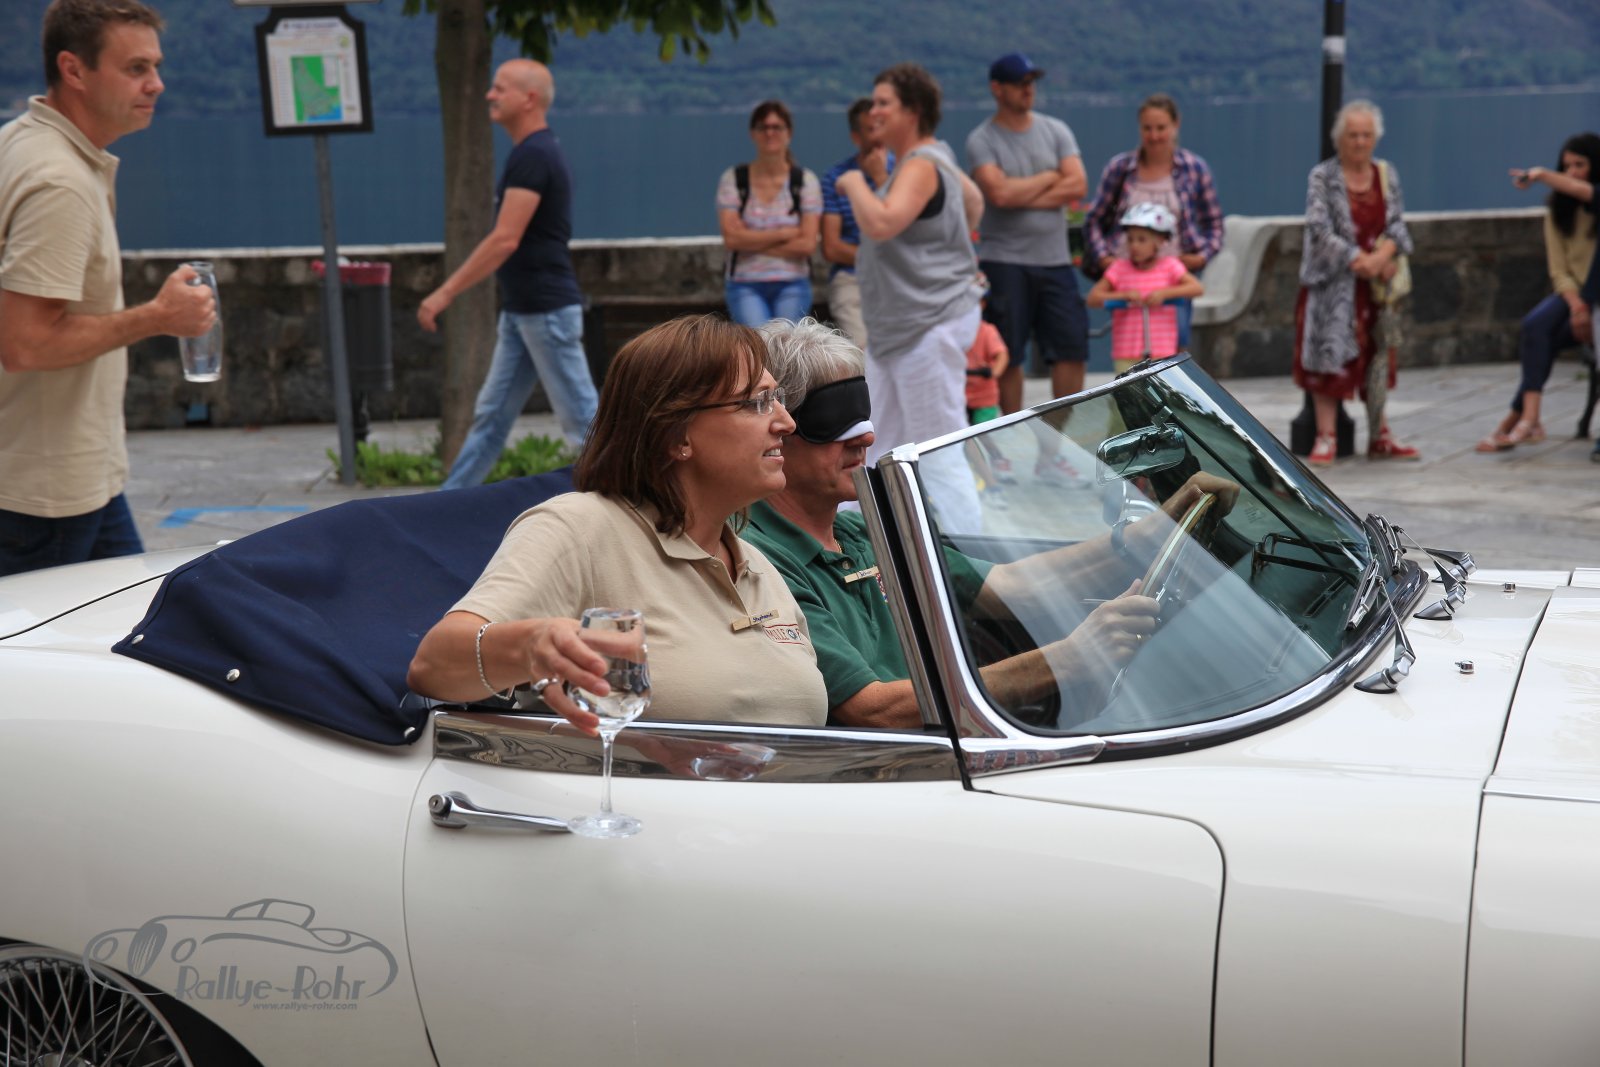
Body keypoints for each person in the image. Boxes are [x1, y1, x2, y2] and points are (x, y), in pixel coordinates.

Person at [743, 317, 1230, 730]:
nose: (866, 437)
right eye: (834, 420)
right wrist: (1069, 658)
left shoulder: (864, 532)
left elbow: (1015, 585)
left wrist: (1160, 528)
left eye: (863, 413)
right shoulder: (757, 559)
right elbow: (871, 711)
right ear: (778, 429)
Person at [408, 315, 827, 732]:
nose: (787, 423)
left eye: (778, 398)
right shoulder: (580, 527)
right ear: (676, 435)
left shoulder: (756, 564)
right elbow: (433, 665)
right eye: (756, 402)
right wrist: (531, 645)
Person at [0, 0, 216, 577]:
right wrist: (159, 316)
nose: (156, 84)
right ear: (74, 70)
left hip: (70, 475)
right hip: (43, 492)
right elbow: (25, 343)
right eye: (136, 68)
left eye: (155, 67)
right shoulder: (59, 182)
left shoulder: (20, 143)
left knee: (139, 612)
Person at [419, 59, 599, 490]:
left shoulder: (535, 155)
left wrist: (445, 293)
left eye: (500, 88)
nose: (490, 95)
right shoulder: (531, 152)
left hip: (547, 311)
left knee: (586, 425)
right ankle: (448, 504)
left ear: (529, 98)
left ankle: (641, 503)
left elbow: (505, 239)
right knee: (491, 418)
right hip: (524, 312)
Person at [835, 63, 986, 526]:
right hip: (898, 331)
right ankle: (852, 538)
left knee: (938, 450)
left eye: (884, 102)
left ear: (912, 111)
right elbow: (974, 203)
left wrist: (855, 182)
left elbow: (881, 223)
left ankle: (975, 554)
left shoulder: (922, 165)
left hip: (925, 327)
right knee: (872, 443)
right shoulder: (931, 161)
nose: (874, 111)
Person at [964, 52, 1089, 434]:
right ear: (997, 88)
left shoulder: (1056, 130)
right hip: (1004, 261)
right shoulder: (982, 140)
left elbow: (1078, 184)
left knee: (1071, 349)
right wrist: (1050, 177)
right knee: (1009, 354)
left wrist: (1022, 191)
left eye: (1031, 81)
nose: (1028, 88)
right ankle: (1012, 437)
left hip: (1055, 261)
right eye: (1020, 82)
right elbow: (999, 195)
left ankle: (1058, 439)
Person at [1293, 100, 1418, 467]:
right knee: (1328, 361)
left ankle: (1380, 434)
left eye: (1366, 135)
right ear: (1340, 138)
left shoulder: (1385, 174)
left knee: (1378, 358)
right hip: (1333, 286)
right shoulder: (1323, 177)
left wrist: (1381, 257)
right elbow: (1318, 228)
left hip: (1376, 287)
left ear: (1375, 138)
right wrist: (1355, 259)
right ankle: (1326, 436)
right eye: (1353, 135)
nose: (1360, 142)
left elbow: (1397, 224)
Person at [1476, 133, 1600, 453]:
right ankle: (1530, 417)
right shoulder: (1558, 210)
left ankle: (1516, 419)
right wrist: (1576, 305)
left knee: (1547, 337)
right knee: (1536, 325)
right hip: (1573, 295)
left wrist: (1541, 175)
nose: (1572, 172)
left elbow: (1585, 193)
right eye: (1567, 166)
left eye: (1580, 165)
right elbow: (1559, 269)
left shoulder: (1596, 202)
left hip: (1596, 296)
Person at [1084, 93, 1223, 349]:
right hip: (1128, 276)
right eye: (1147, 128)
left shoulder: (1194, 168)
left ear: (1175, 125)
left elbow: (1214, 223)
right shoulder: (1120, 168)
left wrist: (1202, 256)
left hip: (1174, 275)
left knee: (1175, 344)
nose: (1154, 135)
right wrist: (1104, 258)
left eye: (1161, 128)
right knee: (1130, 344)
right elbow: (1094, 220)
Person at [716, 100, 822, 327]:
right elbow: (732, 239)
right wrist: (784, 233)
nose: (770, 133)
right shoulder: (735, 180)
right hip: (745, 284)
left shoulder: (804, 181)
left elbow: (806, 245)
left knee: (786, 341)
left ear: (789, 133)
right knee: (758, 340)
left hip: (793, 282)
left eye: (777, 127)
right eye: (763, 127)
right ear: (752, 133)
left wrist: (751, 240)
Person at [1085, 202, 1204, 374]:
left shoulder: (1170, 266)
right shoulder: (1119, 269)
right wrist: (1123, 295)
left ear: (1159, 241)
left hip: (1162, 350)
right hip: (1126, 351)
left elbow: (1196, 288)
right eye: (1130, 239)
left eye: (1142, 240)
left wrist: (1164, 294)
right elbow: (1093, 298)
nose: (1134, 245)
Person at [820, 98, 891, 352]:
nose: (879, 136)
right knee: (861, 353)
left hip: (896, 278)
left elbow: (909, 235)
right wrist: (883, 255)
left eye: (883, 126)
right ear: (856, 137)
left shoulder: (908, 171)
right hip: (852, 279)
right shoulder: (835, 178)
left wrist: (881, 178)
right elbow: (832, 248)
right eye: (872, 129)